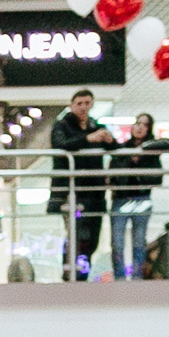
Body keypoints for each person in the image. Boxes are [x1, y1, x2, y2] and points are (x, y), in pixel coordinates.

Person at [52, 88, 114, 281]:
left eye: (87, 103)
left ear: (92, 104)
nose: (83, 107)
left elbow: (115, 148)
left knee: (92, 238)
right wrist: (87, 139)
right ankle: (70, 273)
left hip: (94, 193)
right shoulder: (62, 126)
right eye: (79, 103)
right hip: (72, 192)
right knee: (76, 235)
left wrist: (109, 140)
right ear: (72, 105)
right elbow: (60, 145)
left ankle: (83, 274)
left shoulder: (97, 126)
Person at [110, 113, 169, 281]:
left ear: (149, 129)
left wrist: (143, 151)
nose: (139, 127)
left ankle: (137, 277)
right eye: (137, 123)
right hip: (121, 199)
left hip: (142, 198)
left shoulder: (152, 150)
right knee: (117, 242)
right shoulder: (123, 148)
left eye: (145, 125)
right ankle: (119, 277)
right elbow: (114, 174)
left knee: (139, 242)